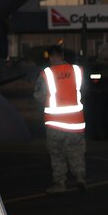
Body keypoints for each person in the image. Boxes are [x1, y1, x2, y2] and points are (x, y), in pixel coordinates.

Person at [33, 46, 87, 193]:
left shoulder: (47, 74)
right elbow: (81, 90)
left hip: (55, 122)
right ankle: (80, 178)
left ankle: (60, 183)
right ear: (62, 55)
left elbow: (39, 95)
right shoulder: (77, 71)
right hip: (76, 122)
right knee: (76, 151)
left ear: (50, 57)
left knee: (57, 154)